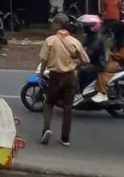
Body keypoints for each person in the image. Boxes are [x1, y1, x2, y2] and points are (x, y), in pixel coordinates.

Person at [37, 13, 89, 147]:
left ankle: (46, 129)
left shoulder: (50, 40)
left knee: (49, 104)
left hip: (55, 76)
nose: (52, 24)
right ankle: (65, 138)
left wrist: (41, 75)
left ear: (59, 24)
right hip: (70, 77)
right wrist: (75, 64)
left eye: (54, 22)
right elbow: (86, 60)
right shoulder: (74, 41)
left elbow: (43, 61)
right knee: (68, 107)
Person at [78, 16, 107, 102]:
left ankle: (81, 92)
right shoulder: (89, 36)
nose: (84, 27)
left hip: (98, 64)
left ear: (92, 26)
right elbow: (80, 47)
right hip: (91, 62)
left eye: (86, 26)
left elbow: (90, 53)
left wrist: (79, 60)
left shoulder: (97, 38)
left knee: (82, 70)